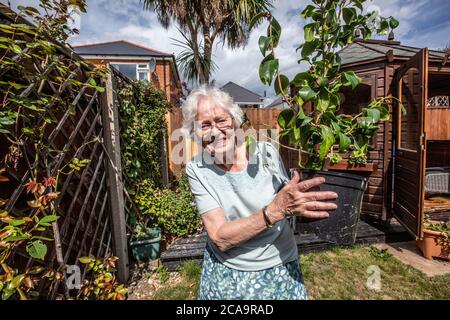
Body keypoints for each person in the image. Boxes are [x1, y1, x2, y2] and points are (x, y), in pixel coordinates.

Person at [182, 85, 338, 300]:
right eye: (205, 125)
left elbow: (287, 199)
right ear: (195, 133)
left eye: (221, 121)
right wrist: (273, 211)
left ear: (235, 122)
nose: (215, 131)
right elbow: (219, 237)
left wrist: (300, 202)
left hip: (281, 263)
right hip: (229, 272)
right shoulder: (197, 169)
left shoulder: (267, 152)